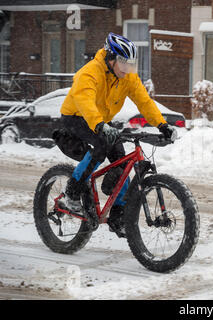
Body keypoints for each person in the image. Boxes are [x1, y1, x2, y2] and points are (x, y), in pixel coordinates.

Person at [59, 32, 175, 237]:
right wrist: (100, 126)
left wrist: (162, 125)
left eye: (130, 64)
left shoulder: (127, 76)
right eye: (123, 63)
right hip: (76, 116)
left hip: (101, 120)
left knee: (122, 162)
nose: (127, 69)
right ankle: (72, 191)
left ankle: (118, 215)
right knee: (100, 148)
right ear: (110, 58)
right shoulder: (90, 72)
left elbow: (144, 101)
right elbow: (84, 100)